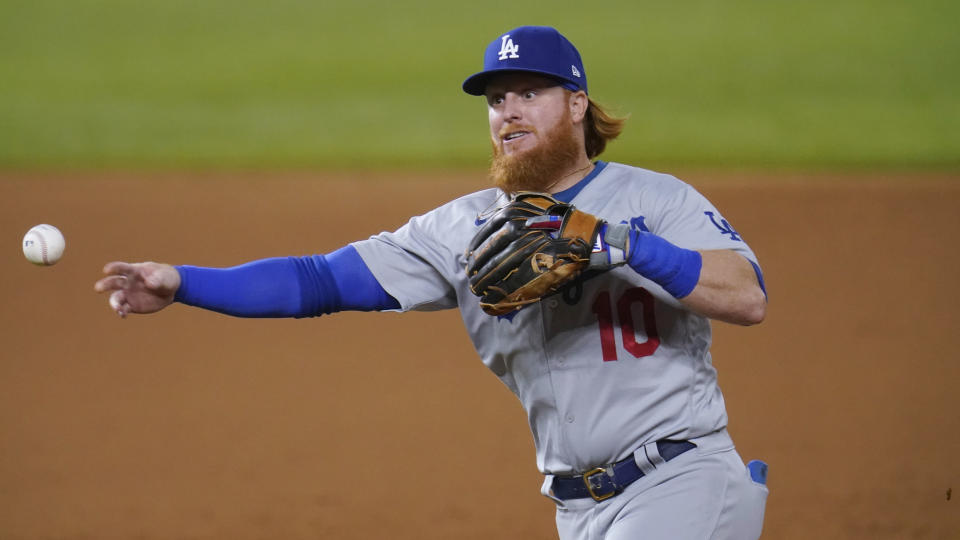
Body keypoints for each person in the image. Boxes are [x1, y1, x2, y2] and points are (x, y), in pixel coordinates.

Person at [95, 25, 769, 540]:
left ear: (576, 104)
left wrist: (617, 244)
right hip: (579, 511)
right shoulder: (465, 228)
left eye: (529, 93)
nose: (508, 111)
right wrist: (181, 281)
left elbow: (745, 296)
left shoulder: (655, 199)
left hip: (681, 480)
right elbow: (317, 282)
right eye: (497, 99)